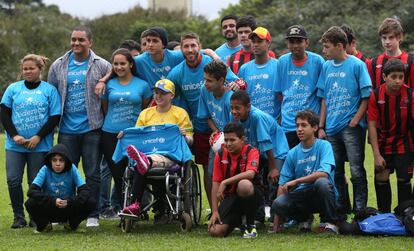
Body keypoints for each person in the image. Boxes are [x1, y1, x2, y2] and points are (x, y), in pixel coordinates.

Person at [47, 26, 111, 227]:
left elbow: (113, 82)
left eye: (81, 40)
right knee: (65, 173)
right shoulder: (58, 65)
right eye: (73, 39)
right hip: (66, 129)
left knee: (92, 173)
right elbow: (52, 95)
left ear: (90, 42)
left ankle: (92, 213)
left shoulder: (102, 65)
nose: (76, 43)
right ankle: (64, 213)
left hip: (92, 128)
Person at [167, 32, 238, 209]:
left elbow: (235, 81)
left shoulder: (211, 64)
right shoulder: (177, 73)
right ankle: (213, 208)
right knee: (208, 170)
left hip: (226, 127)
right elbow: (165, 93)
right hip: (200, 127)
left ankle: (230, 207)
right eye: (186, 46)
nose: (190, 50)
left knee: (229, 167)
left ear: (199, 46)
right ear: (181, 49)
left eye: (193, 45)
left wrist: (237, 85)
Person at [1, 54, 61, 228]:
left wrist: (38, 137)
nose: (27, 71)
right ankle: (18, 217)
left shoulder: (49, 90)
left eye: (31, 68)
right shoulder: (13, 88)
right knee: (13, 180)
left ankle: (36, 215)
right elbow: (4, 113)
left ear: (40, 69)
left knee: (35, 182)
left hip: (40, 145)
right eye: (25, 68)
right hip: (15, 145)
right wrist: (14, 135)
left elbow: (55, 116)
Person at [120, 79, 193, 220]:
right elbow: (137, 136)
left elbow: (190, 140)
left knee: (143, 163)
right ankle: (135, 204)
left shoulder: (180, 113)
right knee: (141, 165)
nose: (158, 96)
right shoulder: (145, 114)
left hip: (171, 155)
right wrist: (125, 136)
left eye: (163, 93)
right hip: (147, 153)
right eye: (156, 93)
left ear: (171, 95)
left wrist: (185, 136)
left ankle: (145, 162)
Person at [317, 26, 371, 215]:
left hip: (351, 127)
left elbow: (366, 96)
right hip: (331, 128)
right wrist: (321, 126)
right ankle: (342, 207)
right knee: (336, 171)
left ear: (339, 45)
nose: (324, 51)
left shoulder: (357, 65)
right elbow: (324, 97)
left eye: (327, 47)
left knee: (356, 170)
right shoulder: (326, 66)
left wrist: (356, 120)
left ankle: (360, 209)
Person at [100, 48, 152, 214]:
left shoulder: (142, 85)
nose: (119, 67)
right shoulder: (108, 85)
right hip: (110, 135)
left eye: (122, 63)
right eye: (115, 64)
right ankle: (124, 209)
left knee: (136, 173)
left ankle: (137, 207)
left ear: (130, 64)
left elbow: (144, 109)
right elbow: (105, 108)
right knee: (118, 175)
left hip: (134, 136)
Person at [271, 110, 340, 234]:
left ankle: (329, 223)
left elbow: (324, 173)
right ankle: (304, 218)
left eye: (303, 125)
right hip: (302, 195)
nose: (299, 129)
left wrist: (297, 181)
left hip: (321, 193)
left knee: (322, 183)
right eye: (297, 126)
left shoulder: (324, 145)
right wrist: (276, 226)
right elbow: (282, 186)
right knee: (278, 203)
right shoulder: (292, 153)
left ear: (314, 127)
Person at [230, 90, 289, 224]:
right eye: (232, 108)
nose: (234, 111)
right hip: (258, 153)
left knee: (274, 182)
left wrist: (273, 168)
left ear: (248, 107)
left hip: (276, 152)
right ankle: (258, 216)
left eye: (237, 108)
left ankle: (277, 219)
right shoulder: (234, 117)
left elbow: (266, 143)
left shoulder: (257, 117)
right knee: (256, 182)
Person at [367, 59, 414, 213]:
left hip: (404, 143)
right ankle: (384, 215)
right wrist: (376, 154)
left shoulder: (410, 95)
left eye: (401, 77)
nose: (398, 81)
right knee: (381, 177)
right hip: (383, 143)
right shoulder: (375, 95)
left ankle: (404, 215)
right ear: (384, 77)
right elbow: (372, 125)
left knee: (404, 180)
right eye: (393, 77)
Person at [24, 144, 96, 233]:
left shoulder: (72, 168)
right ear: (50, 161)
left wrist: (69, 201)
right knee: (30, 203)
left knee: (91, 201)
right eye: (54, 160)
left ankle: (72, 224)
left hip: (68, 209)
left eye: (61, 160)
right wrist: (53, 201)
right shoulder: (45, 169)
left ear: (66, 162)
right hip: (50, 208)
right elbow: (31, 191)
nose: (58, 164)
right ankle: (44, 225)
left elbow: (85, 190)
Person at [208, 122, 262, 238]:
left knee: (244, 185)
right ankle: (237, 221)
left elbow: (250, 173)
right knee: (215, 231)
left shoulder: (252, 151)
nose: (228, 144)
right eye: (226, 140)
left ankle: (250, 225)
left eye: (232, 140)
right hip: (231, 199)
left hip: (251, 196)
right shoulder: (220, 154)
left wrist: (225, 182)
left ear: (242, 139)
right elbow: (215, 184)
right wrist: (215, 211)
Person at [275, 25, 325, 148]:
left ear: (306, 42)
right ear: (287, 44)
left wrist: (321, 125)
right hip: (288, 125)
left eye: (299, 41)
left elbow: (323, 94)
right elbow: (279, 93)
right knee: (292, 163)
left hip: (311, 124)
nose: (295, 45)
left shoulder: (318, 61)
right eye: (292, 42)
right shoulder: (282, 62)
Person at [198, 61, 235, 184]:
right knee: (211, 174)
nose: (205, 83)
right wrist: (216, 132)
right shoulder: (204, 90)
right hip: (219, 137)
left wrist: (224, 138)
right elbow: (207, 116)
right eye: (205, 79)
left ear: (221, 81)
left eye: (209, 80)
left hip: (232, 138)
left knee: (229, 175)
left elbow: (235, 126)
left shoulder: (230, 98)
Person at [238, 27, 280, 119]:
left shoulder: (279, 66)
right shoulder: (244, 69)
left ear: (268, 43)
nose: (255, 44)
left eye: (259, 41)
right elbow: (241, 98)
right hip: (251, 123)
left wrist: (280, 120)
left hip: (274, 123)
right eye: (253, 41)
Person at [366, 17, 414, 89]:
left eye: (391, 37)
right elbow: (371, 90)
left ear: (399, 37)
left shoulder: (411, 61)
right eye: (384, 38)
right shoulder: (373, 63)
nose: (387, 42)